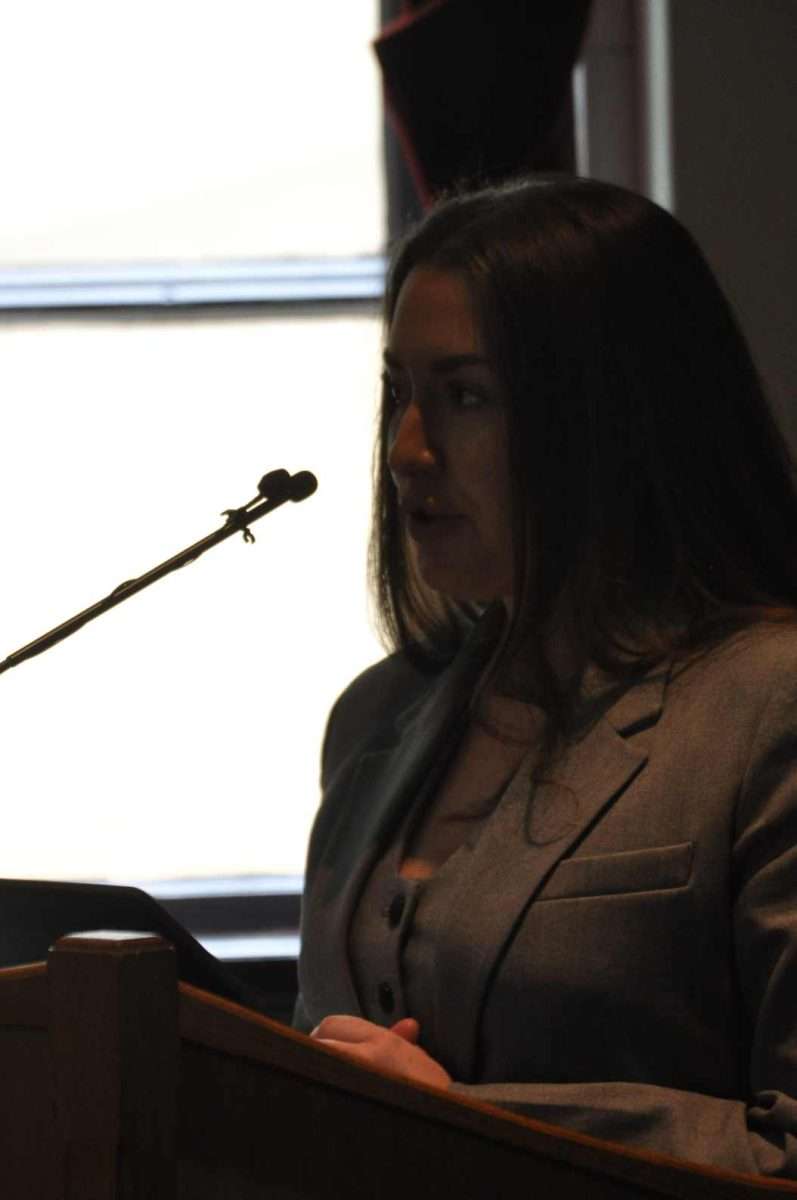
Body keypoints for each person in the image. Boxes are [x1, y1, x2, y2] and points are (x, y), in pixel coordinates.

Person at [293, 175, 797, 1177]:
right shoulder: (373, 718)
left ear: (609, 415)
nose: (405, 451)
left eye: (464, 396)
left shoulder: (766, 703)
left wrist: (463, 1130)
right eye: (399, 393)